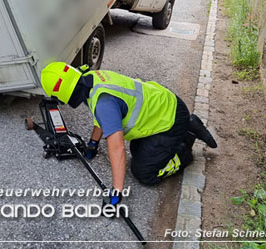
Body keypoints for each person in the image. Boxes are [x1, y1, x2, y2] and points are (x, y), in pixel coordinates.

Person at [40, 63, 217, 204]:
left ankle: (185, 147)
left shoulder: (103, 102)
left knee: (144, 173)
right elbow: (102, 117)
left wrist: (116, 191)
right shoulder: (90, 80)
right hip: (163, 106)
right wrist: (93, 144)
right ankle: (189, 123)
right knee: (137, 149)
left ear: (62, 95)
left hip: (170, 120)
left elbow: (116, 148)